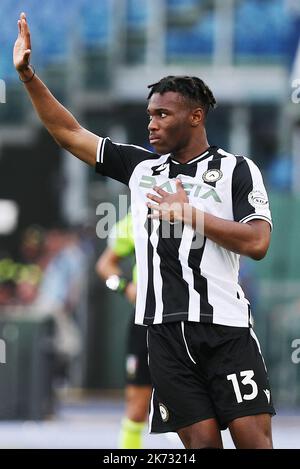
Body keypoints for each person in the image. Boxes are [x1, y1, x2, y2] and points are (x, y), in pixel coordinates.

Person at [13, 12, 275, 449]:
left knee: (254, 443)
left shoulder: (236, 171)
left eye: (162, 114)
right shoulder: (141, 169)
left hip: (225, 330)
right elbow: (68, 132)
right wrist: (27, 76)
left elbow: (259, 242)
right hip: (163, 335)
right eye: (149, 114)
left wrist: (191, 214)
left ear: (195, 117)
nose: (151, 123)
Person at [96, 212, 152, 449]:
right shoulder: (136, 218)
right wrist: (124, 287)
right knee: (137, 406)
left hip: (189, 320)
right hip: (145, 321)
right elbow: (104, 266)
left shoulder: (198, 209)